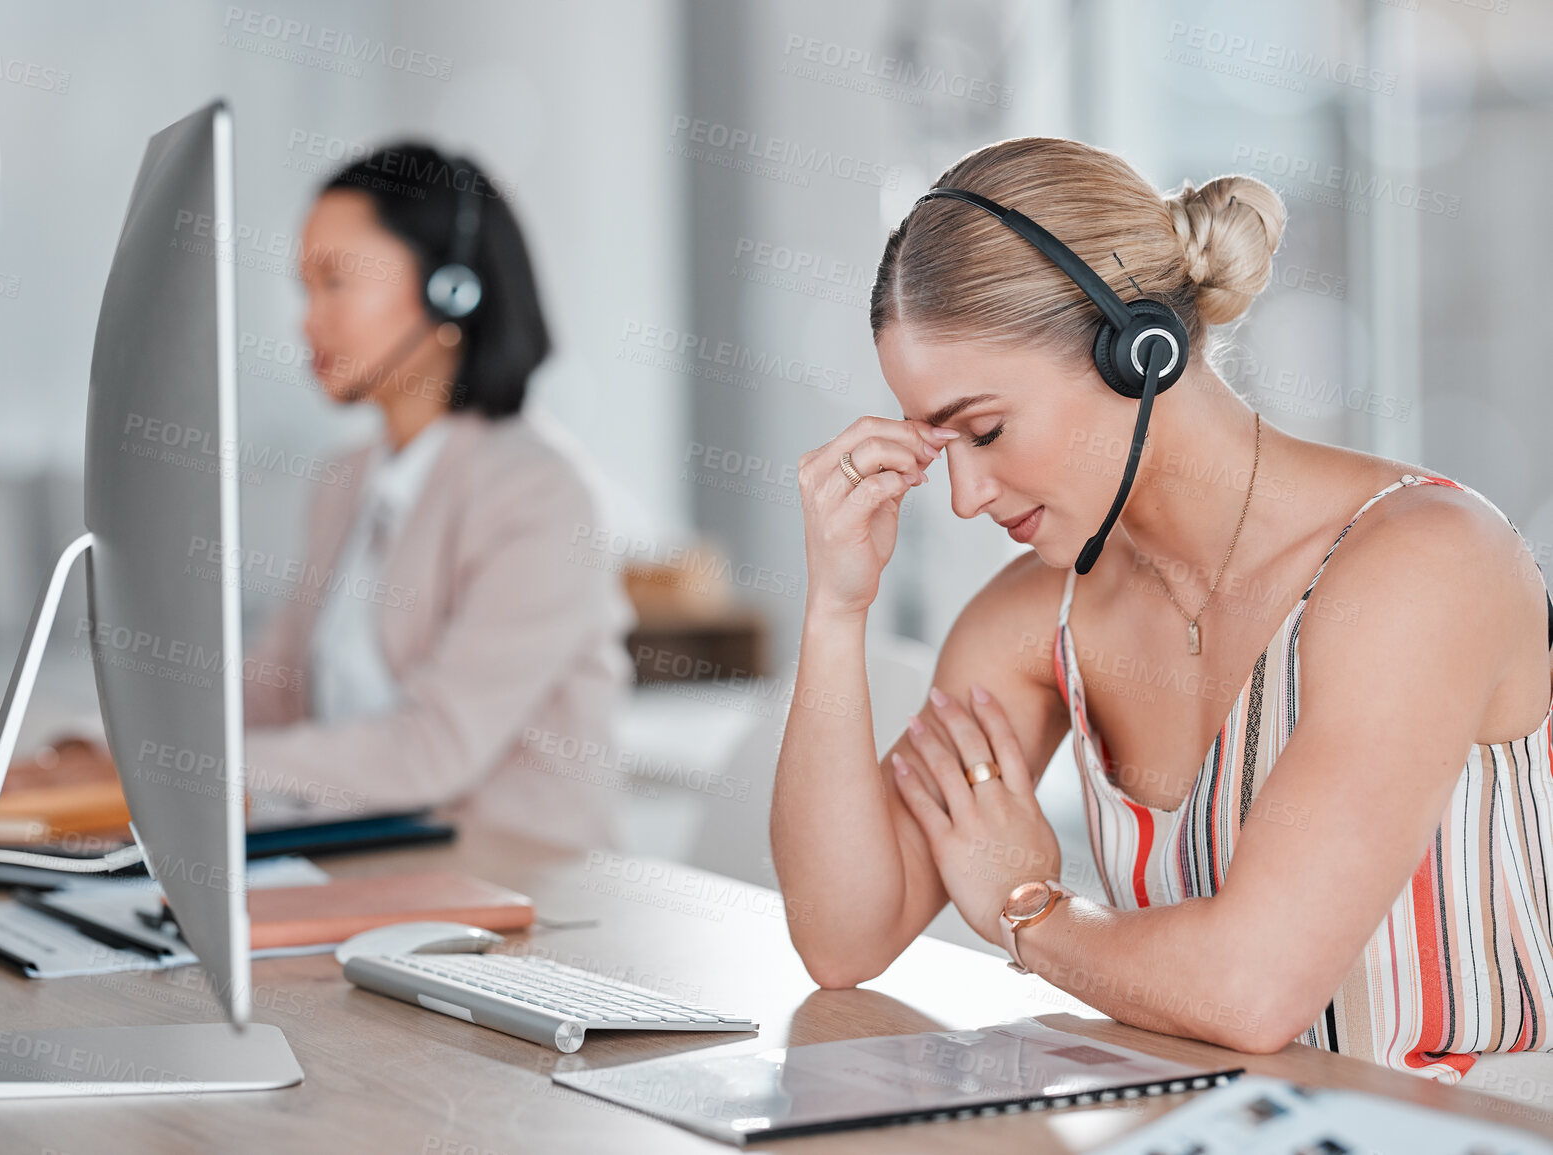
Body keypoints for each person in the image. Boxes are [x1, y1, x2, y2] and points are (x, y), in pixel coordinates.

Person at [771, 135, 1553, 1083]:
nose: (966, 497)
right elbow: (842, 937)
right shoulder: (1033, 619)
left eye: (984, 430)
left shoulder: (1426, 565)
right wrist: (835, 607)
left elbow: (1250, 989)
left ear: (1138, 351)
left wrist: (1028, 907)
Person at [240, 143, 634, 849]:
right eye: (304, 287)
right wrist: (102, 751)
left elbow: (434, 748)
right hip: (361, 865)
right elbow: (270, 692)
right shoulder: (344, 480)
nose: (307, 319)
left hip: (522, 888)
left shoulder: (541, 495)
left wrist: (191, 766)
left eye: (335, 282)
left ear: (450, 289)